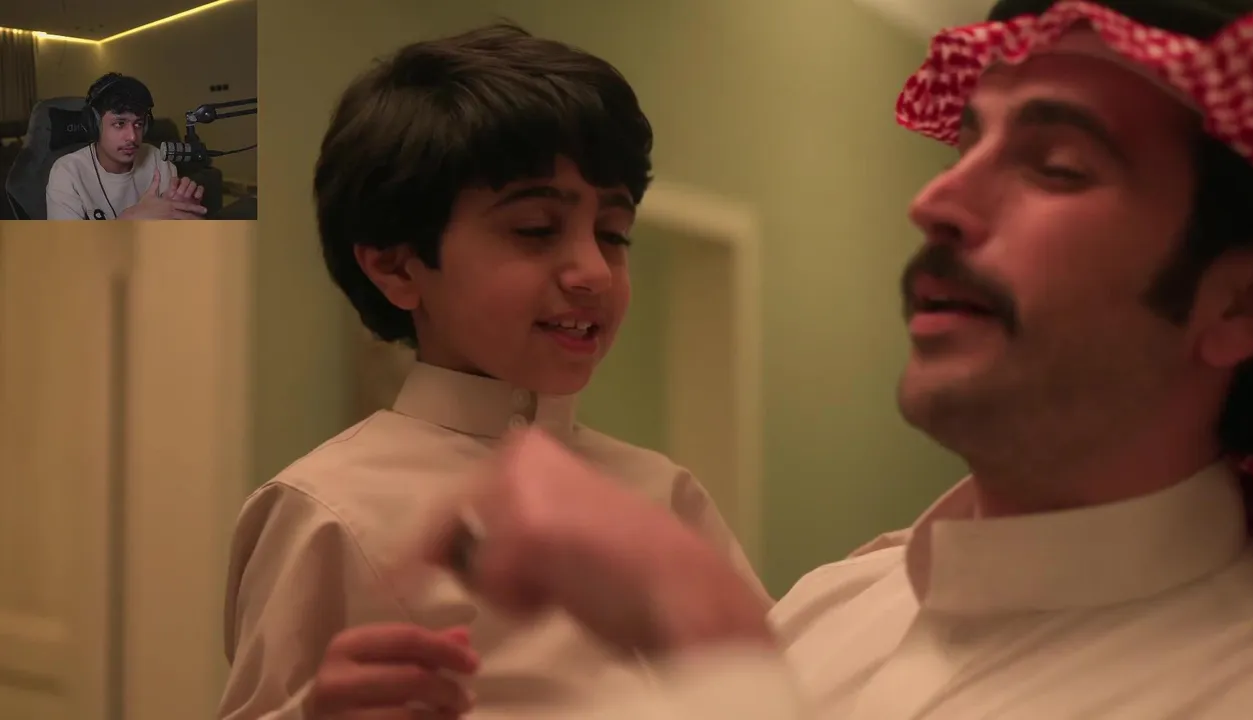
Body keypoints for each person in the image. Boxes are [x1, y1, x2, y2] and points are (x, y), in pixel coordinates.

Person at [408, 0, 1253, 718]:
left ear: (1244, 304)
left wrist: (707, 636)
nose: (936, 199)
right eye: (966, 145)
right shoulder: (834, 606)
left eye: (1056, 166)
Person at [216, 24, 769, 720]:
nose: (595, 272)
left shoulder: (666, 494)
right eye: (536, 229)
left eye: (613, 233)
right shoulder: (325, 508)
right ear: (395, 265)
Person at [45, 72, 206, 220]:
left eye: (138, 124)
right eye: (119, 124)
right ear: (95, 125)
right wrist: (131, 219)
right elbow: (68, 242)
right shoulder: (67, 172)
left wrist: (186, 214)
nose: (132, 137)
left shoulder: (157, 159)